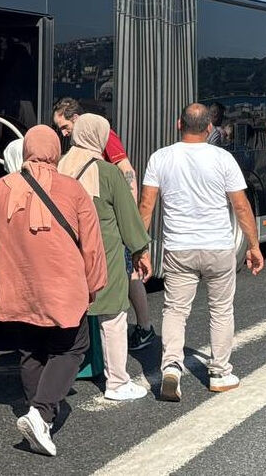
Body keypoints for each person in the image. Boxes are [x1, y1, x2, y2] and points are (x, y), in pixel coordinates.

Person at [0, 125, 106, 457]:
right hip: (62, 289)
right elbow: (92, 246)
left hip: (18, 289)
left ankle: (41, 418)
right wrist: (94, 284)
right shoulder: (73, 190)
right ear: (55, 151)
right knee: (72, 348)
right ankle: (40, 412)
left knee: (30, 351)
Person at [137, 103, 264, 402]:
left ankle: (170, 367)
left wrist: (140, 248)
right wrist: (254, 245)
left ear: (178, 123)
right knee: (221, 310)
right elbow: (241, 206)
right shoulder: (223, 158)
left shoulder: (160, 158)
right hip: (218, 247)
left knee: (175, 310)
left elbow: (146, 207)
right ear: (209, 128)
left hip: (179, 248)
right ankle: (220, 373)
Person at [59, 114, 151, 402]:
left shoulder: (59, 167)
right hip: (104, 253)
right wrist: (140, 251)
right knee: (112, 317)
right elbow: (128, 218)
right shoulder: (107, 173)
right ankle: (117, 382)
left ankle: (62, 377)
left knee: (70, 317)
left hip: (66, 253)